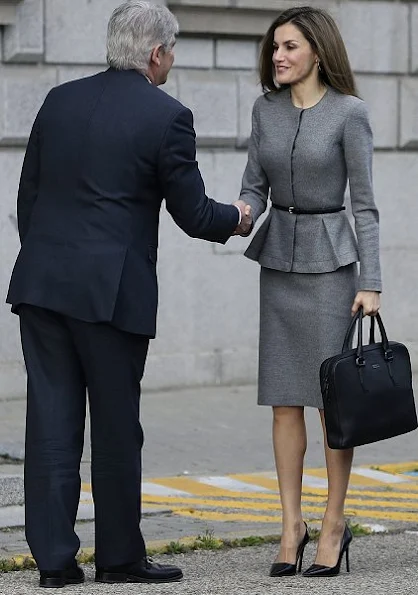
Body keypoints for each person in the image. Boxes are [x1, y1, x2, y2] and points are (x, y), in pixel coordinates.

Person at [6, 1, 251, 588]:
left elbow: (28, 197)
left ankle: (56, 565)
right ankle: (118, 557)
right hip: (111, 297)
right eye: (172, 53)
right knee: (116, 427)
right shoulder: (166, 116)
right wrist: (239, 217)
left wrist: (49, 255)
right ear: (156, 53)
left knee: (50, 425)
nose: (171, 63)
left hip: (42, 285)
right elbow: (194, 213)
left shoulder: (58, 101)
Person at [238, 6, 381, 578]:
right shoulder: (264, 110)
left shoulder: (351, 113)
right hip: (279, 264)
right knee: (283, 400)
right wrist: (240, 211)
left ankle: (333, 522)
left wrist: (371, 281)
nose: (279, 56)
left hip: (332, 270)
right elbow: (254, 183)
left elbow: (364, 205)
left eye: (291, 46)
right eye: (275, 47)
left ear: (317, 52)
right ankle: (290, 524)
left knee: (331, 403)